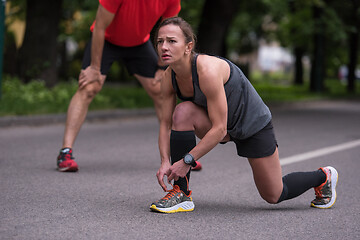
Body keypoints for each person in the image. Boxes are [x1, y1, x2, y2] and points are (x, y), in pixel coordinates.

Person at [149, 17, 338, 213]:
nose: (164, 47)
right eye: (160, 41)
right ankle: (181, 193)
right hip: (219, 125)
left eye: (172, 41)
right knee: (182, 112)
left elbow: (219, 129)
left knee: (274, 194)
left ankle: (323, 177)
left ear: (188, 46)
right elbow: (165, 123)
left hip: (251, 125)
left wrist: (187, 161)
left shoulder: (207, 70)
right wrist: (165, 161)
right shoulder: (168, 77)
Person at [56, 0, 182, 172]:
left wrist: (162, 67)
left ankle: (178, 156)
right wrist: (94, 68)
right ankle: (65, 152)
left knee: (160, 89)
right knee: (89, 88)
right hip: (106, 41)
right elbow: (99, 27)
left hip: (139, 44)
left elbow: (170, 32)